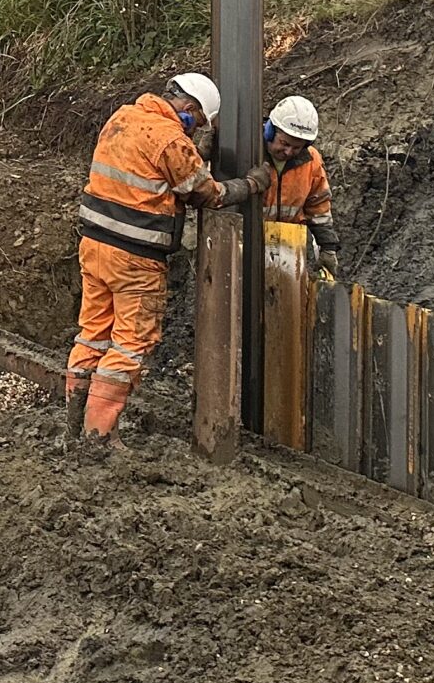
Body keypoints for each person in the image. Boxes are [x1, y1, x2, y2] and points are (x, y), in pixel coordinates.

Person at [65, 71, 261, 441]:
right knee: (129, 344)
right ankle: (98, 438)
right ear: (188, 109)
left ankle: (73, 428)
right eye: (197, 123)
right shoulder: (170, 138)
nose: (194, 131)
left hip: (94, 248)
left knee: (92, 335)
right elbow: (204, 193)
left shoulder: (123, 117)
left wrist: (194, 153)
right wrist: (249, 185)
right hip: (135, 259)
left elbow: (151, 169)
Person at [260, 95, 340, 277]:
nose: (288, 152)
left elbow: (319, 206)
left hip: (288, 248)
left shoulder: (311, 161)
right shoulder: (248, 152)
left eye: (296, 148)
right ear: (270, 131)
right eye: (284, 143)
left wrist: (328, 247)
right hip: (248, 245)